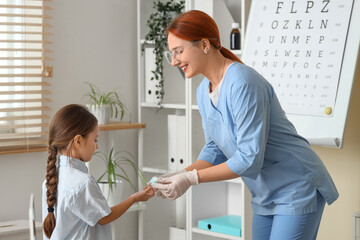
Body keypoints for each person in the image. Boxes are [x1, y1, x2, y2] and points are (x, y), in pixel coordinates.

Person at [151, 10, 339, 240]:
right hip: (264, 192)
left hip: (295, 185)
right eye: (171, 54)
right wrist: (182, 173)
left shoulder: (242, 82)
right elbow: (215, 149)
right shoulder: (203, 90)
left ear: (203, 45)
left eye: (178, 51)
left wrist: (191, 179)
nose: (173, 61)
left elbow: (249, 157)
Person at [42, 104, 154, 239]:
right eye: (95, 139)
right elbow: (105, 217)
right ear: (78, 141)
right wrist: (134, 198)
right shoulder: (83, 183)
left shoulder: (50, 180)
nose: (97, 145)